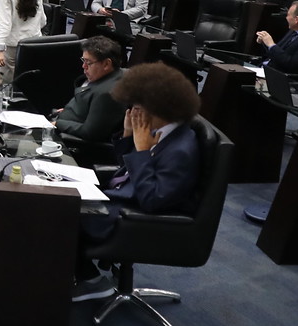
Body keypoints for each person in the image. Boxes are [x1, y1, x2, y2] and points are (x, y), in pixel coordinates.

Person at [72, 63, 203, 301]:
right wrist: (127, 136)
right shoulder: (163, 131)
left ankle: (90, 279)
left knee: (60, 214)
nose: (132, 113)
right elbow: (126, 170)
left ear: (160, 109)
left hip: (136, 216)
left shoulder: (181, 150)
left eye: (137, 108)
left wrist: (142, 151)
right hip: (123, 198)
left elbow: (153, 200)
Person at [52, 36, 125, 156]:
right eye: (83, 60)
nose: (83, 66)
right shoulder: (114, 75)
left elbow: (90, 132)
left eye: (88, 62)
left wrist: (58, 123)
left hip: (73, 145)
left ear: (106, 64)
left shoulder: (106, 94)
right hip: (65, 117)